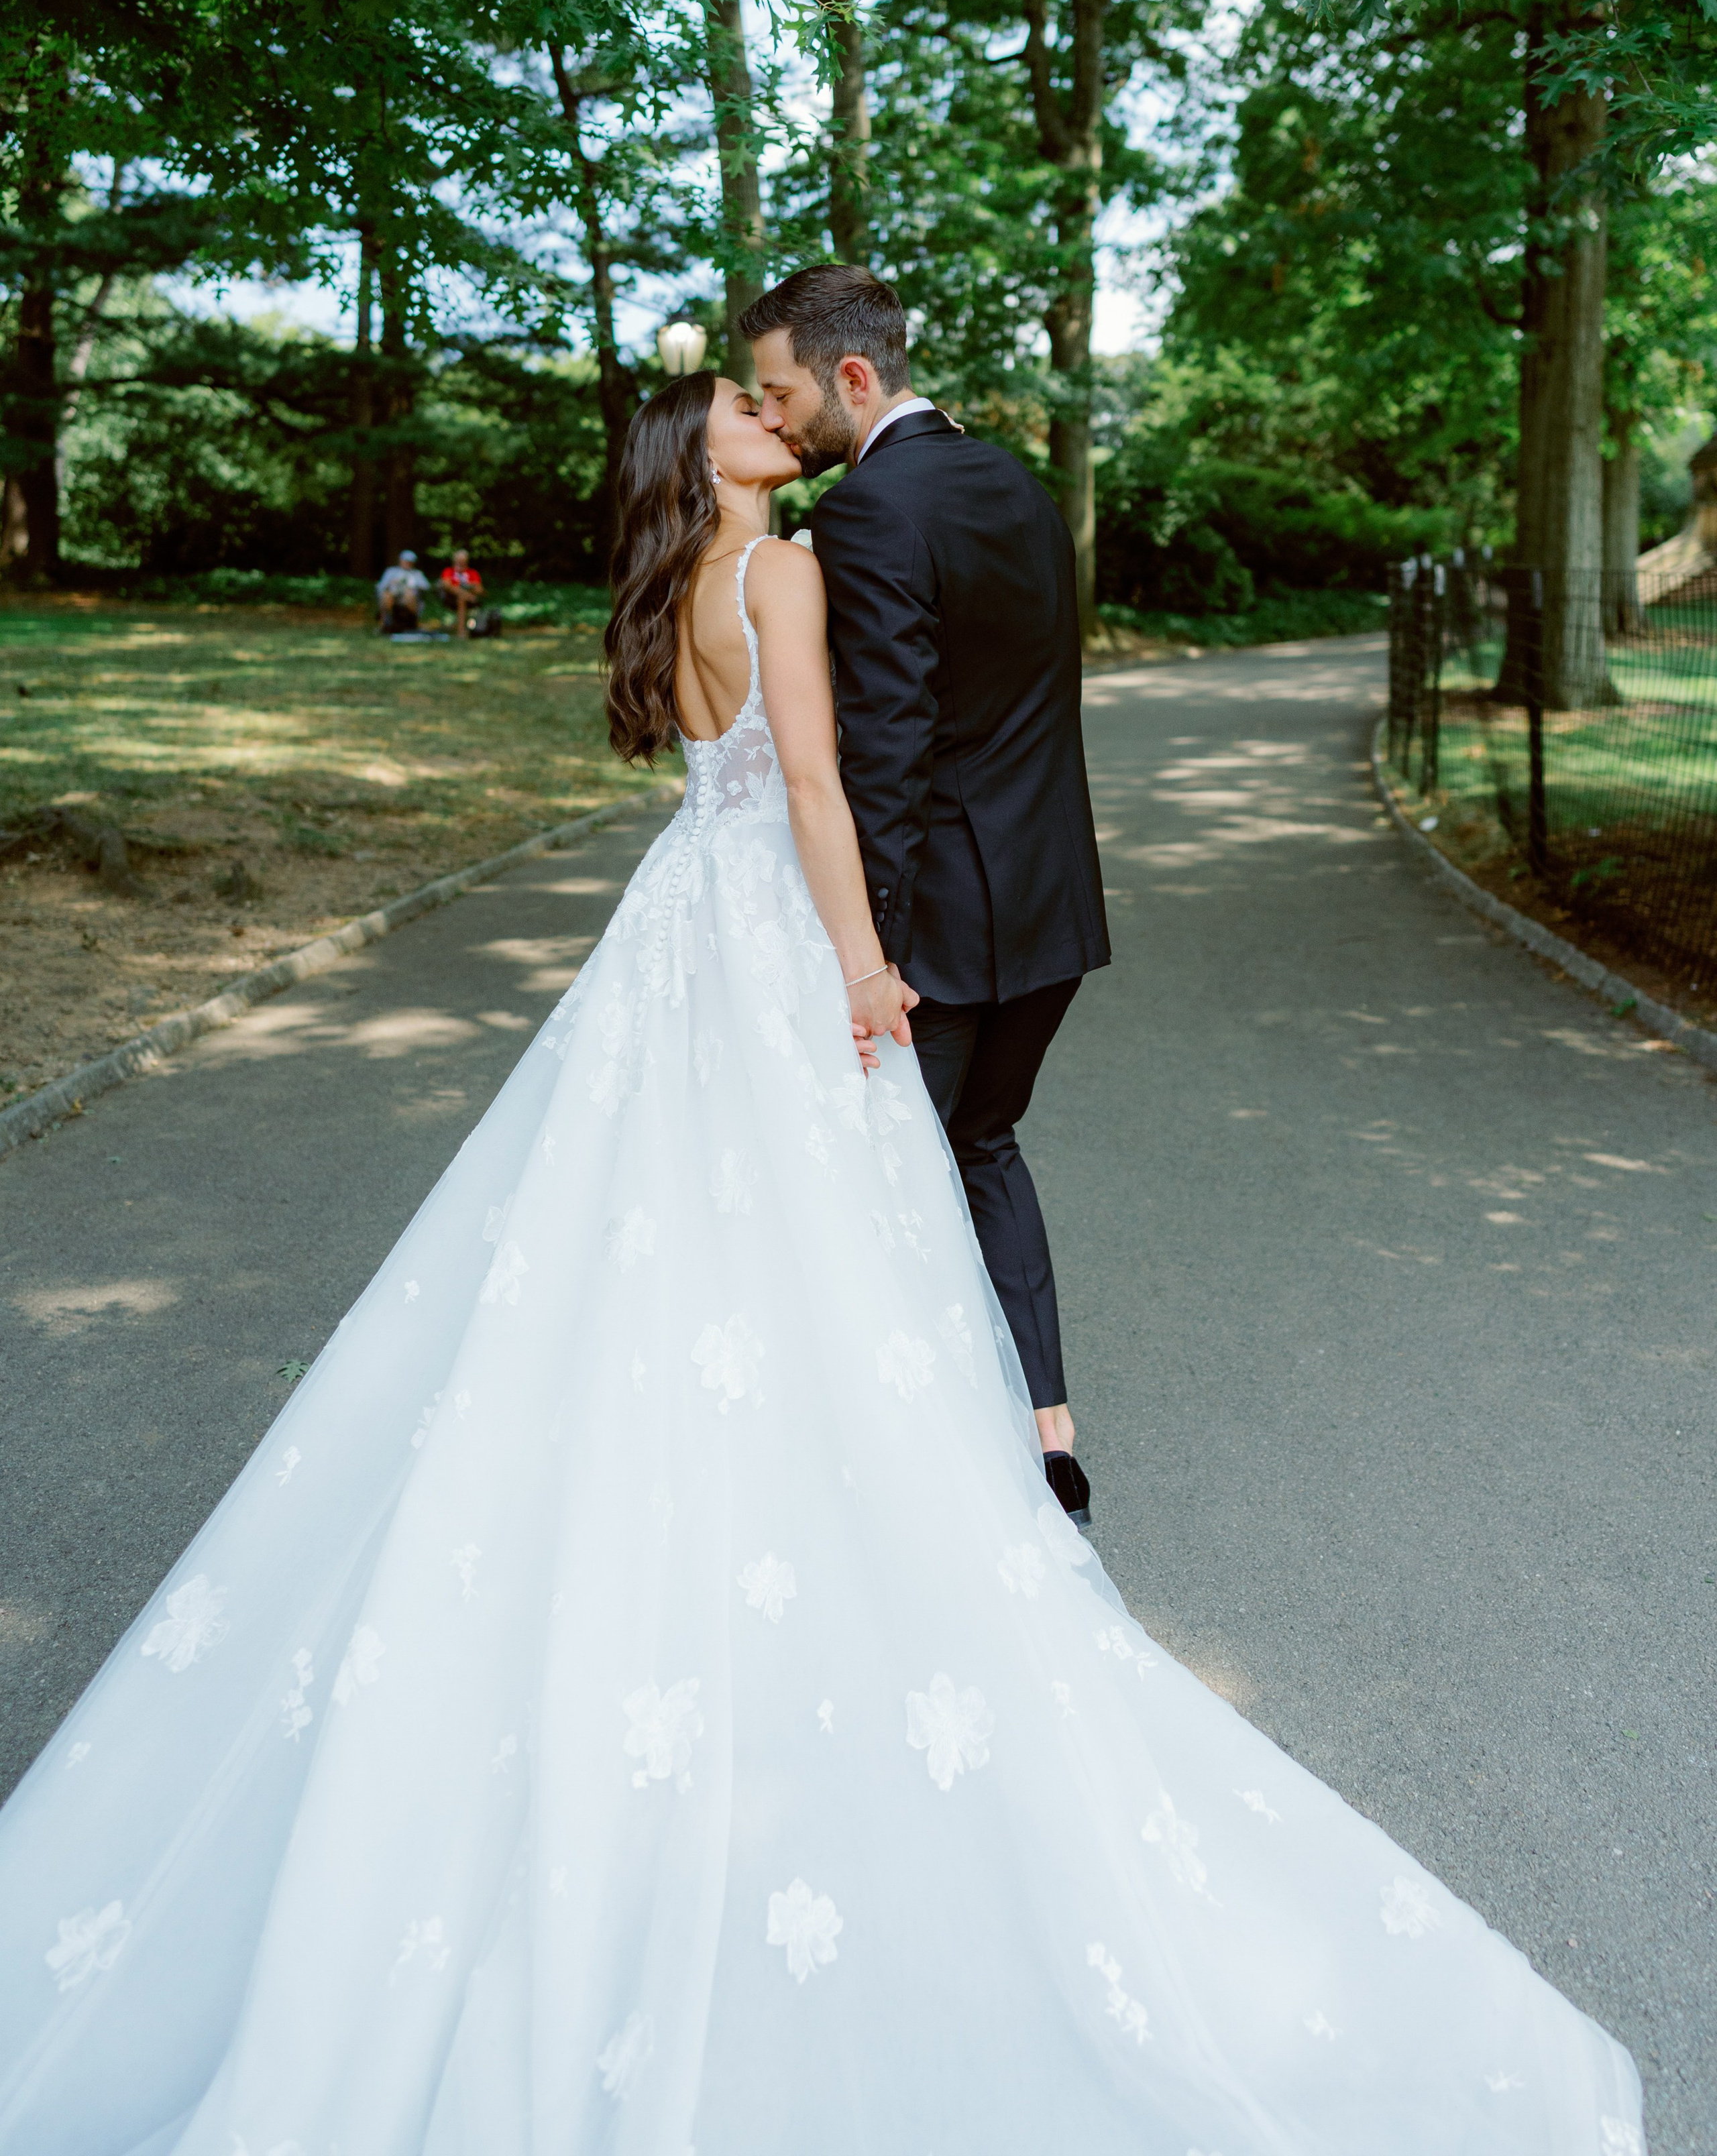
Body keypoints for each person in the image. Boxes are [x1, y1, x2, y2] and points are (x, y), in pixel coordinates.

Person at [0, 372, 1643, 2155]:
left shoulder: (665, 593)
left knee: (657, 1240)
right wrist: (865, 967)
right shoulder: (775, 571)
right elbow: (806, 779)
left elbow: (718, 772)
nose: (767, 412)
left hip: (671, 935)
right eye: (738, 405)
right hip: (775, 934)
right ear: (702, 454)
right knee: (814, 1239)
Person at [743, 266, 1106, 1531]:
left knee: (882, 1184)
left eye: (781, 393)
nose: (774, 417)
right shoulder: (1017, 485)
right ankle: (1048, 1434)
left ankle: (915, 1484)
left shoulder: (866, 513)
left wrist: (872, 959)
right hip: (1053, 912)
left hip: (942, 930)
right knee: (984, 1144)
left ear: (852, 375)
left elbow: (886, 755)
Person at [376, 547, 429, 634]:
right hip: (393, 595)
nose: (408, 563)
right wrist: (392, 583)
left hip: (410, 598)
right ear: (400, 560)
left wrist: (413, 586)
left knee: (409, 594)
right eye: (406, 561)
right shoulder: (391, 571)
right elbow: (381, 586)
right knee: (387, 595)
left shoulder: (417, 574)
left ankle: (412, 623)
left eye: (410, 561)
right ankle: (386, 624)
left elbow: (426, 587)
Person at [439, 547, 485, 637]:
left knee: (462, 599)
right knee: (461, 598)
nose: (460, 563)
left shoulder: (473, 573)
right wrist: (466, 594)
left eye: (463, 561)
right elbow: (447, 586)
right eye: (458, 560)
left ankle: (466, 630)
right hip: (451, 599)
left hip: (472, 600)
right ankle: (461, 631)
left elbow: (480, 590)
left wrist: (469, 589)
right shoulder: (449, 571)